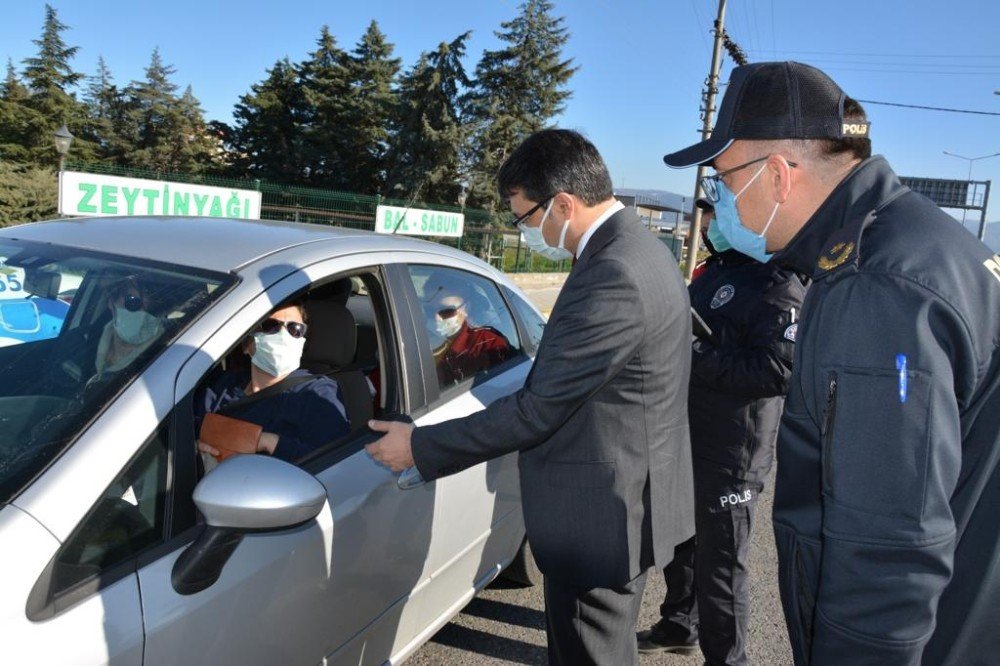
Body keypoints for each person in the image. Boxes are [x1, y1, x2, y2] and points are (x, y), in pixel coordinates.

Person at [664, 60, 1000, 664]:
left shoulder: (876, 287)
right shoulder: (910, 241)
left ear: (776, 174)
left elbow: (888, 547)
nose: (718, 199)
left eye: (721, 179)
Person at [366, 129, 695, 664]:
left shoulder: (613, 273)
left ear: (563, 204)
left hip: (601, 513)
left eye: (525, 217)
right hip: (628, 494)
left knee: (591, 653)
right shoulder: (640, 249)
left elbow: (538, 408)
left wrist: (420, 446)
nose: (526, 230)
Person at [636, 198, 808, 664]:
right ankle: (679, 625)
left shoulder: (781, 284)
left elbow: (776, 370)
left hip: (733, 450)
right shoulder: (718, 270)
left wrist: (690, 352)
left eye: (721, 216)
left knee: (722, 567)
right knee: (680, 543)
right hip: (687, 434)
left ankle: (728, 660)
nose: (711, 226)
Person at [197, 300, 351, 464]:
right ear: (246, 345)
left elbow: (334, 463)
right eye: (271, 326)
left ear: (301, 342)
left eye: (294, 329)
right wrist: (197, 448)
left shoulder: (316, 393)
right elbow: (182, 430)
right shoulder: (225, 385)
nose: (283, 335)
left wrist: (267, 442)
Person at [424, 281, 514, 386]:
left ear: (467, 308)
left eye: (446, 311)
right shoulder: (417, 337)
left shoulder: (488, 345)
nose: (437, 318)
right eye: (429, 310)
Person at [93, 276, 164, 380]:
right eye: (132, 301)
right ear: (111, 303)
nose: (142, 312)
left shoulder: (162, 352)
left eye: (146, 304)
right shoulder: (92, 342)